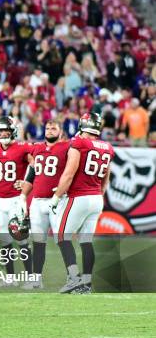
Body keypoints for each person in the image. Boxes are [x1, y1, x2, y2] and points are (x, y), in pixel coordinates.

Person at [50, 112, 114, 294]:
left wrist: (56, 198)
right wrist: (98, 196)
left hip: (79, 197)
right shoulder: (107, 147)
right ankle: (86, 284)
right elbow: (106, 179)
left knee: (62, 235)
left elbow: (69, 174)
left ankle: (73, 279)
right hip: (96, 198)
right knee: (86, 241)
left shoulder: (79, 143)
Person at [0, 116, 33, 286]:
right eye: (1, 131)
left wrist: (26, 182)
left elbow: (35, 165)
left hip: (16, 200)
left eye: (7, 131)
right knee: (5, 240)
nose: (3, 134)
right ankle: (10, 277)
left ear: (13, 132)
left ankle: (31, 277)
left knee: (21, 239)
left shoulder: (22, 147)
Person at [19, 120, 69, 289]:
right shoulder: (37, 148)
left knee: (63, 240)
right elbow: (31, 173)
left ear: (60, 131)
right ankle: (36, 279)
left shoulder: (67, 147)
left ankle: (72, 277)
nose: (49, 130)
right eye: (47, 128)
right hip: (38, 201)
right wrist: (23, 196)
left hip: (58, 201)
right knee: (38, 241)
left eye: (53, 128)